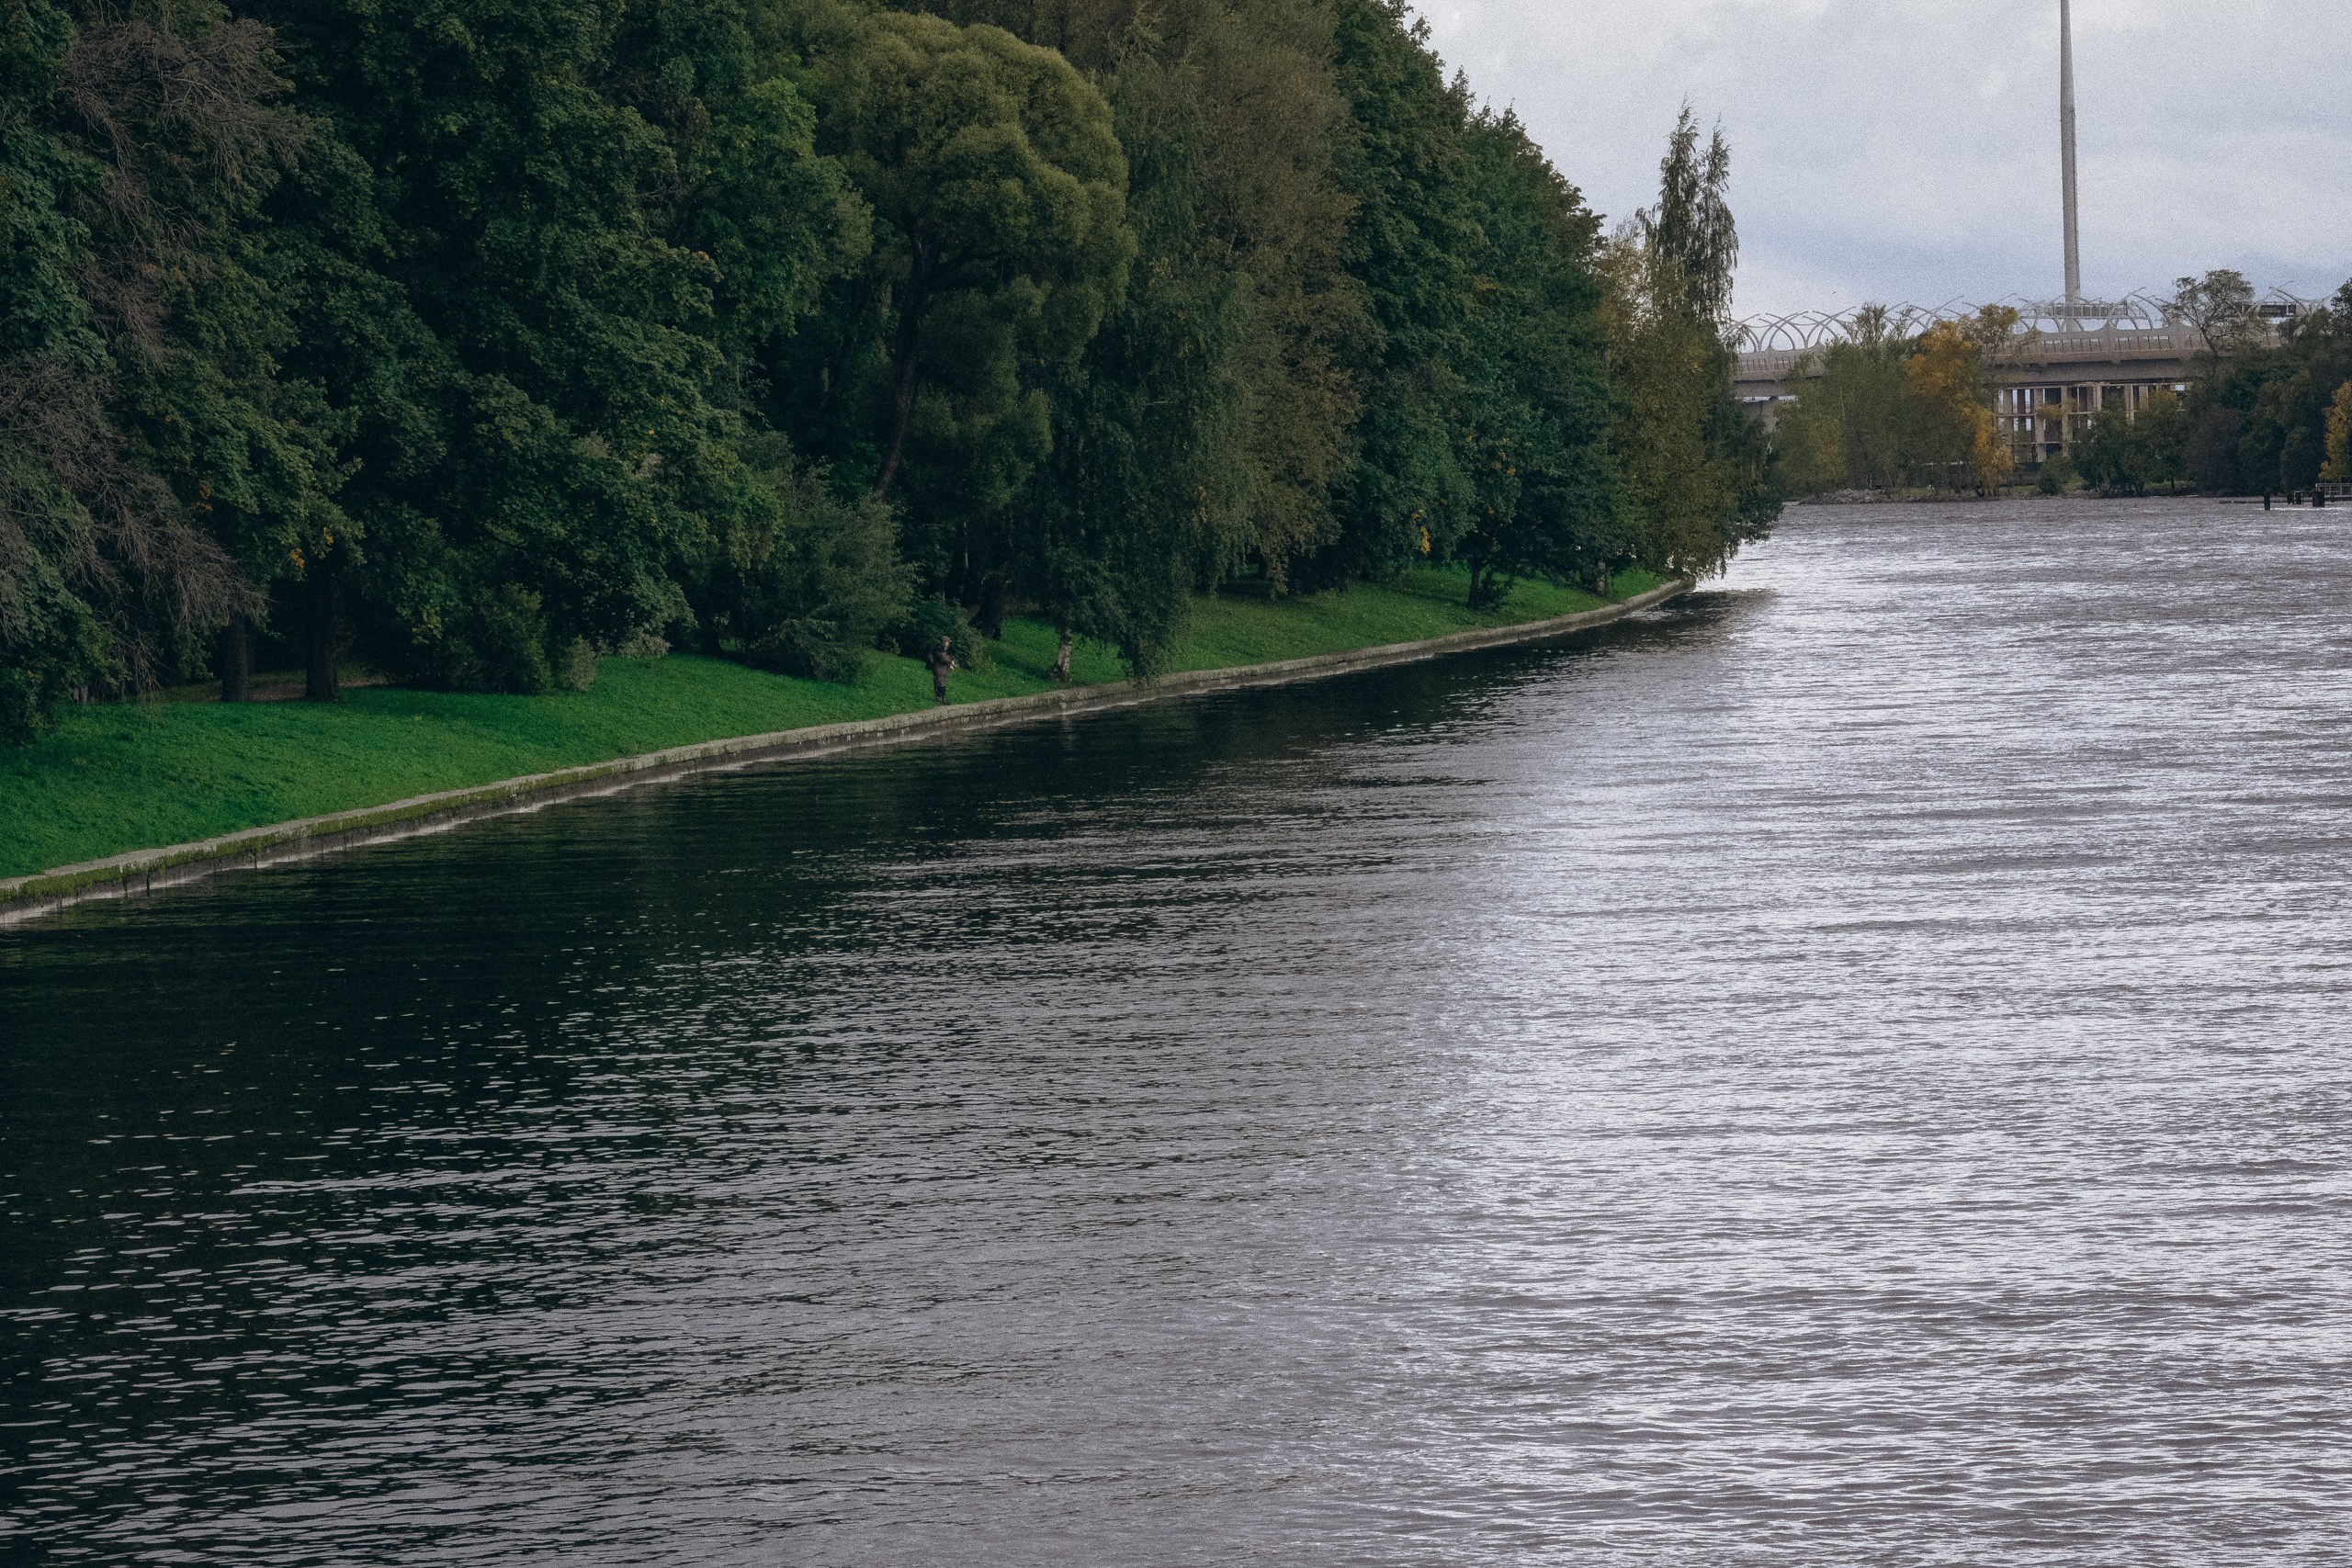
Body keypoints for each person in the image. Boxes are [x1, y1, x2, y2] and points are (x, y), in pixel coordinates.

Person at [927, 636, 956, 705]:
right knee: (939, 684)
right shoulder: (939, 650)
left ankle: (942, 699)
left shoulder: (943, 650)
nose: (948, 643)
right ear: (944, 642)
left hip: (943, 671)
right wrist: (951, 662)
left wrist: (949, 665)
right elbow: (943, 659)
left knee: (943, 685)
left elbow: (944, 659)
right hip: (939, 670)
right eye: (947, 642)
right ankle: (939, 699)